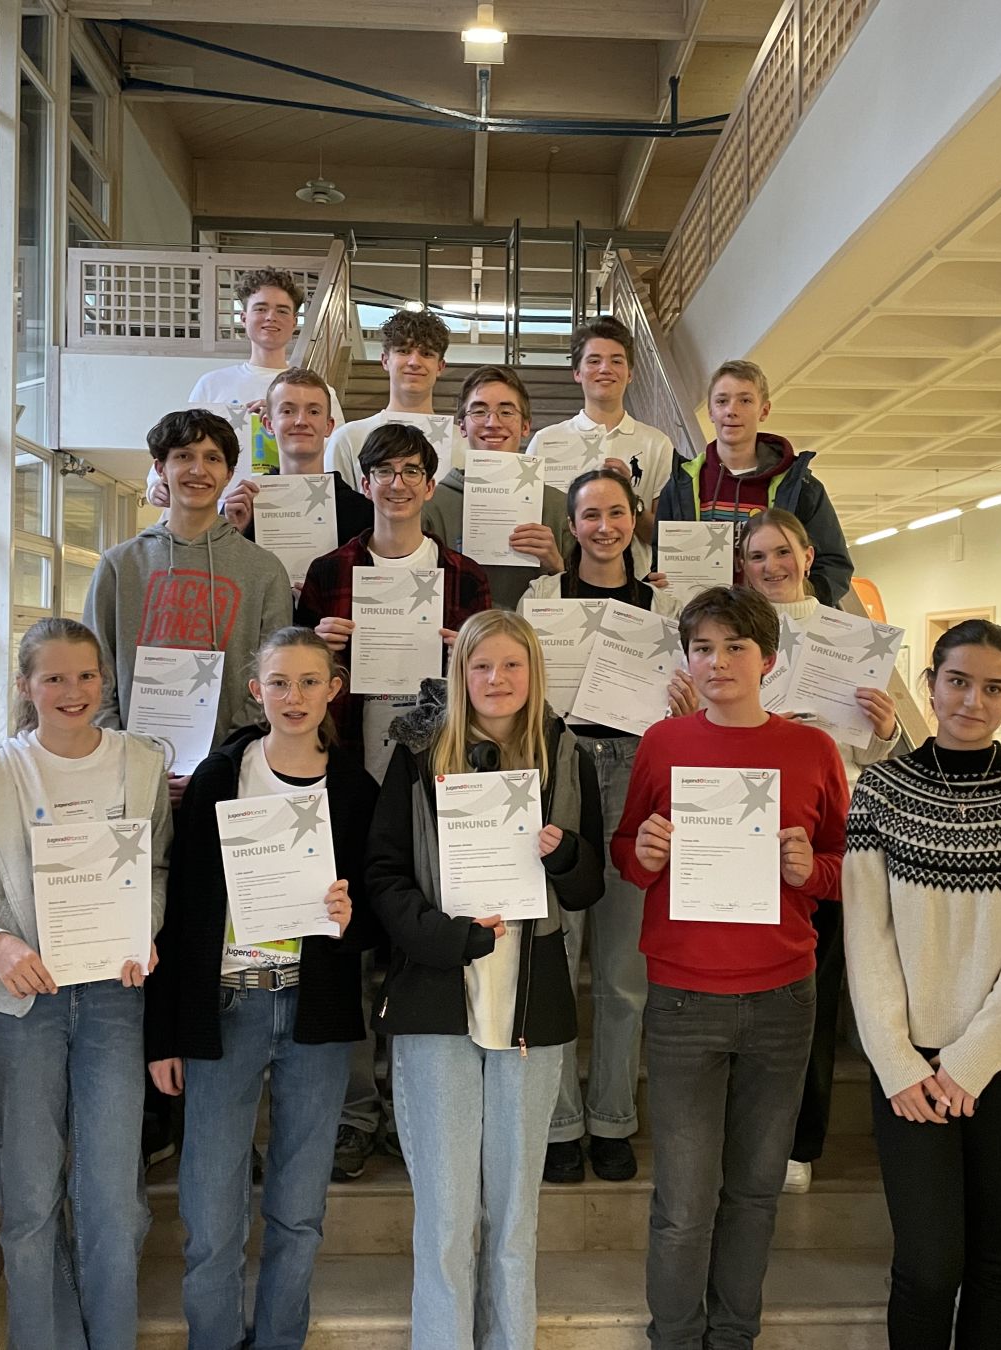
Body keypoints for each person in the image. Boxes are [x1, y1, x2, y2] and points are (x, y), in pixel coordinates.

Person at [0, 618, 173, 1350]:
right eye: (53, 677)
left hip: (114, 1000)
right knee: (29, 1199)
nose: (72, 691)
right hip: (21, 1008)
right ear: (26, 686)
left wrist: (143, 928)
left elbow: (156, 871)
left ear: (105, 681)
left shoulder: (141, 764)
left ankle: (110, 1338)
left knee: (113, 1198)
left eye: (85, 675)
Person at [613, 586, 849, 1349]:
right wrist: (646, 855)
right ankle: (677, 1337)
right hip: (684, 996)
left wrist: (810, 870)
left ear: (768, 660)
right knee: (684, 1202)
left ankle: (734, 1335)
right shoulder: (662, 743)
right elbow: (626, 850)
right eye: (703, 648)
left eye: (735, 647)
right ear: (687, 659)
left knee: (753, 1192)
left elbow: (846, 865)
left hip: (783, 997)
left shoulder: (812, 750)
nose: (717, 662)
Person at [366, 608, 606, 1350]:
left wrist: (564, 856)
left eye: (511, 665)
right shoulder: (417, 756)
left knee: (513, 1219)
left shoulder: (567, 755)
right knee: (445, 1220)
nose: (496, 679)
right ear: (460, 674)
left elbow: (589, 886)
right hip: (438, 1002)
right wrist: (446, 937)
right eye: (480, 666)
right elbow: (384, 875)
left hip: (529, 1010)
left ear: (533, 672)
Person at [842, 618, 1001, 1350]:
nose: (972, 701)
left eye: (993, 688)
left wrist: (972, 1061)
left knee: (996, 1261)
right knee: (926, 1265)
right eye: (957, 681)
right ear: (930, 685)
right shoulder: (881, 789)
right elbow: (867, 936)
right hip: (910, 1071)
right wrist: (898, 1061)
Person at [144, 626, 379, 1350]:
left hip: (316, 1011)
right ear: (256, 690)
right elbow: (183, 913)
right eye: (279, 682)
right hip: (227, 1008)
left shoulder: (356, 789)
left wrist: (352, 916)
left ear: (334, 690)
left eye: (309, 682)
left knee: (299, 1209)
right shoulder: (221, 777)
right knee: (211, 1210)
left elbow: (379, 911)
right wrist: (166, 1034)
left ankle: (280, 1338)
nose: (294, 696)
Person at [294, 421, 490, 1181]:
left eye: (412, 471)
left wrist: (460, 651)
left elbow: (490, 682)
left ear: (430, 486)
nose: (399, 484)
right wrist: (321, 643)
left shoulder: (465, 577)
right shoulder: (330, 569)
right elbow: (297, 674)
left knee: (417, 941)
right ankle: (353, 1112)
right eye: (385, 471)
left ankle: (412, 1107)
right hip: (345, 773)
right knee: (345, 941)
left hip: (435, 779)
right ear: (365, 483)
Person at [729, 508, 901, 1194]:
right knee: (742, 990)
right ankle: (742, 1130)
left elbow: (876, 757)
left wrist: (885, 730)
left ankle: (800, 1140)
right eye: (757, 556)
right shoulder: (732, 637)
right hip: (744, 827)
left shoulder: (855, 638)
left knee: (815, 994)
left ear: (808, 556)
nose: (770, 566)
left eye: (782, 553)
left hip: (827, 829)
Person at [520, 467, 682, 1184]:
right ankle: (558, 1122)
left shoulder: (663, 605)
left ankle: (613, 1116)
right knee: (555, 953)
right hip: (560, 765)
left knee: (622, 970)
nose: (605, 527)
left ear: (634, 519)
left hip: (638, 770)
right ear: (572, 526)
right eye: (590, 515)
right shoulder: (541, 598)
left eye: (617, 513)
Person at [86, 408, 292, 807]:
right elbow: (96, 670)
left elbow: (272, 678)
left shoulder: (265, 570)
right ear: (160, 468)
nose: (198, 470)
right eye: (184, 456)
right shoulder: (119, 565)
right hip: (129, 776)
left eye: (212, 458)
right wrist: (123, 757)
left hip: (230, 776)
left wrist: (219, 762)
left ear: (228, 473)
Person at [654, 360, 851, 605]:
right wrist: (660, 583)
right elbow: (659, 561)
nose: (731, 410)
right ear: (710, 411)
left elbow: (834, 566)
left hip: (775, 623)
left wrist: (796, 604)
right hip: (703, 618)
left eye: (745, 400)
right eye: (722, 401)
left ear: (764, 410)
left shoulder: (801, 487)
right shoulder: (682, 484)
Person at [146, 267, 347, 505]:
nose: (271, 317)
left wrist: (284, 415)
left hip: (294, 509)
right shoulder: (212, 384)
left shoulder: (321, 392)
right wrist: (156, 486)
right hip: (220, 509)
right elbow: (181, 442)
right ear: (243, 318)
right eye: (261, 308)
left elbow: (337, 456)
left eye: (282, 310)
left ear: (294, 322)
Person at [525, 315, 676, 576]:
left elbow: (662, 538)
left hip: (631, 586)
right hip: (558, 582)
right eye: (594, 361)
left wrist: (631, 498)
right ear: (577, 372)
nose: (605, 368)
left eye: (616, 361)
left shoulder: (656, 443)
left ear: (630, 373)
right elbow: (528, 517)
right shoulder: (545, 441)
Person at [421, 364, 575, 610]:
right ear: (462, 427)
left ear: (525, 426)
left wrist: (557, 566)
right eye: (479, 411)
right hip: (458, 633)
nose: (493, 422)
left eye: (506, 411)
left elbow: (584, 598)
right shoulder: (431, 505)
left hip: (535, 633)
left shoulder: (560, 506)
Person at [222, 366, 373, 548]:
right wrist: (233, 534)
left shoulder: (363, 512)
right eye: (288, 411)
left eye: (313, 412)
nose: (301, 421)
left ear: (329, 426)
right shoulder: (243, 507)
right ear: (268, 424)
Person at [326, 307, 465, 489]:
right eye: (404, 351)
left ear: (440, 366)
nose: (414, 362)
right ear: (385, 360)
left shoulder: (464, 443)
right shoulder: (348, 439)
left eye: (426, 354)